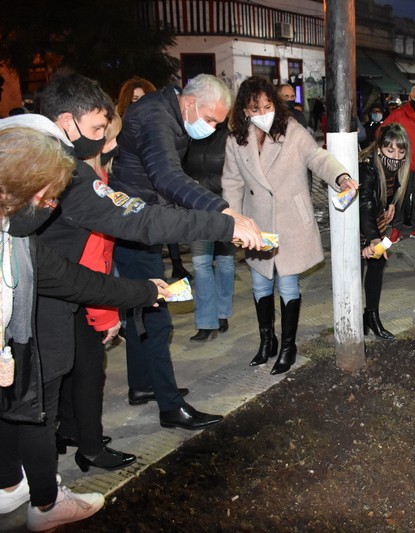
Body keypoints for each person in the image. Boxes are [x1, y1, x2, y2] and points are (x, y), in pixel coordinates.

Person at [0, 126, 169, 531]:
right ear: (21, 188)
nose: (52, 205)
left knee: (11, 409)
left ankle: (8, 485)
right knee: (32, 407)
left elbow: (74, 280)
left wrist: (142, 292)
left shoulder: (17, 234)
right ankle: (45, 505)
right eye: (49, 196)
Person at [111, 73, 262, 430]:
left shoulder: (166, 112)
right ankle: (170, 407)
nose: (211, 128)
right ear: (191, 103)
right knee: (156, 316)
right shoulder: (156, 117)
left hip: (140, 223)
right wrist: (224, 213)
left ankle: (143, 385)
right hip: (133, 225)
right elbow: (167, 176)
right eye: (210, 119)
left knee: (139, 311)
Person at [221, 76, 356, 372]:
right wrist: (233, 219)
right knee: (259, 284)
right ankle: (266, 342)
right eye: (255, 108)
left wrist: (341, 177)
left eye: (267, 106)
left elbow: (317, 157)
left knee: (288, 285)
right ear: (244, 110)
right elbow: (231, 183)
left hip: (290, 221)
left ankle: (288, 346)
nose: (262, 113)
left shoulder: (291, 131)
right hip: (257, 223)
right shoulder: (236, 140)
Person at [54, 112, 137, 472]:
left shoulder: (86, 176)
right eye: (108, 137)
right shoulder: (90, 184)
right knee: (90, 373)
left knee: (68, 369)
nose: (114, 145)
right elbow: (93, 258)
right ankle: (90, 448)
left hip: (63, 293)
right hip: (81, 294)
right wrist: (107, 315)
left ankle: (69, 430)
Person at [117, 76, 190, 280]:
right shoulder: (120, 133)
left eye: (144, 99)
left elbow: (171, 173)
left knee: (154, 279)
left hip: (155, 212)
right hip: (128, 214)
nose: (141, 105)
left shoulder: (165, 131)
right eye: (134, 100)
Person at [184, 124, 235, 342]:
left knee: (224, 261)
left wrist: (200, 183)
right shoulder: (189, 137)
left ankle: (222, 313)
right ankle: (206, 322)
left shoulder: (229, 138)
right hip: (197, 208)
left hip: (224, 206)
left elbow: (233, 175)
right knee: (201, 264)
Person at [359, 123, 410, 340]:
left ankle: (371, 315)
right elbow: (365, 204)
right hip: (358, 224)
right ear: (379, 148)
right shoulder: (367, 167)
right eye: (390, 150)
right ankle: (356, 317)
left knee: (377, 267)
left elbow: (392, 187)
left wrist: (390, 203)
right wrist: (373, 239)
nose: (396, 156)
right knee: (356, 269)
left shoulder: (396, 167)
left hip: (375, 223)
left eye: (401, 151)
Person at [383, 85, 415, 243]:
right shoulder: (398, 115)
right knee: (400, 199)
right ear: (410, 98)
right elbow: (382, 132)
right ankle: (396, 229)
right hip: (403, 167)